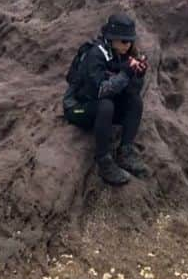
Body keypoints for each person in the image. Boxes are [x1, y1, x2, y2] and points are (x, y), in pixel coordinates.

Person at [63, 11, 150, 185]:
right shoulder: (96, 54)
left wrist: (138, 75)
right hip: (78, 107)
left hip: (100, 106)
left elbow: (132, 91)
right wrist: (126, 73)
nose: (128, 44)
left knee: (135, 101)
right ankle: (103, 161)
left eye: (130, 40)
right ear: (112, 38)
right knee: (106, 105)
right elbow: (102, 90)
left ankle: (125, 151)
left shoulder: (125, 53)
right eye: (124, 41)